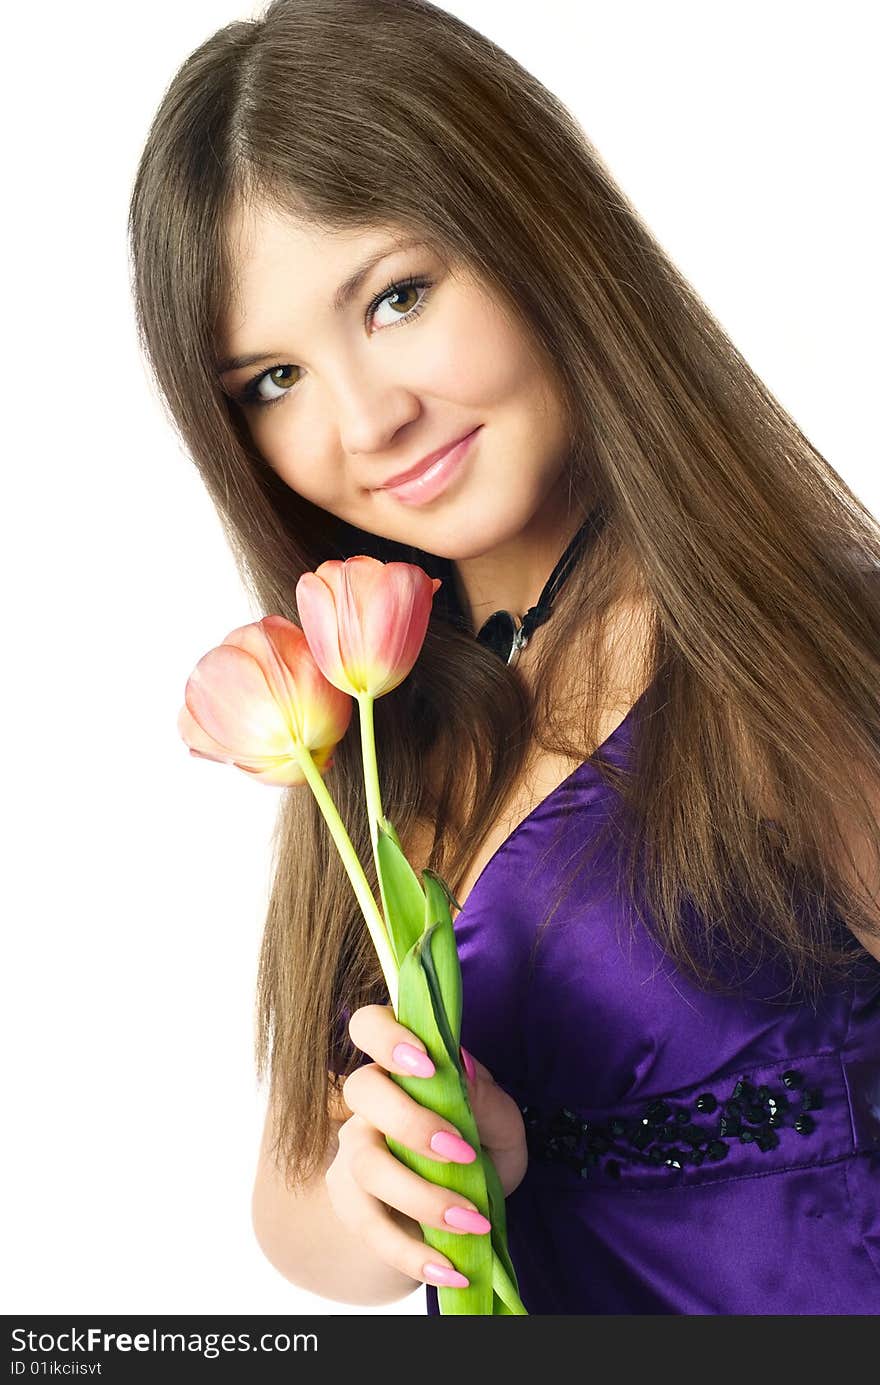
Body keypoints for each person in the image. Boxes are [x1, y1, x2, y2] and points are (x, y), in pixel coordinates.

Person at [128, 0, 880, 1313]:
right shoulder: (379, 712)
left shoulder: (781, 652)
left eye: (399, 297)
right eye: (275, 380)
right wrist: (384, 1188)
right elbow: (293, 1188)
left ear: (539, 237)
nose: (367, 418)